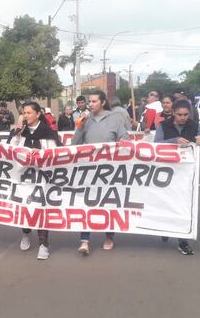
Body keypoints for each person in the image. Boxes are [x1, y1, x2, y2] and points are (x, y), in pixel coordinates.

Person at [72, 90, 128, 255]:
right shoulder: (85, 121)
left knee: (108, 203)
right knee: (87, 203)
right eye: (89, 101)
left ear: (103, 102)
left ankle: (109, 237)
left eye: (94, 101)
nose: (90, 104)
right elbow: (75, 144)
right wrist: (79, 128)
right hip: (89, 169)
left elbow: (125, 138)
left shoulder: (115, 119)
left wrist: (122, 143)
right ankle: (84, 240)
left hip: (109, 170)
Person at [154, 99, 200, 255]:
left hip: (186, 175)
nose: (182, 118)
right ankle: (166, 228)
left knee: (183, 207)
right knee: (167, 204)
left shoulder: (194, 126)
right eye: (179, 114)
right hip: (165, 173)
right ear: (173, 113)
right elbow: (156, 145)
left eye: (185, 115)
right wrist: (174, 141)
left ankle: (182, 241)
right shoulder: (163, 126)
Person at [8, 101, 60, 260]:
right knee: (24, 206)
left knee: (41, 208)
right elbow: (10, 148)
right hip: (23, 177)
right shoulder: (20, 130)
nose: (25, 115)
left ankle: (44, 245)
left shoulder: (47, 131)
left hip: (41, 177)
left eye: (29, 112)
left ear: (38, 114)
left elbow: (54, 151)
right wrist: (17, 132)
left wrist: (41, 152)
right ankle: (25, 233)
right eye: (24, 113)